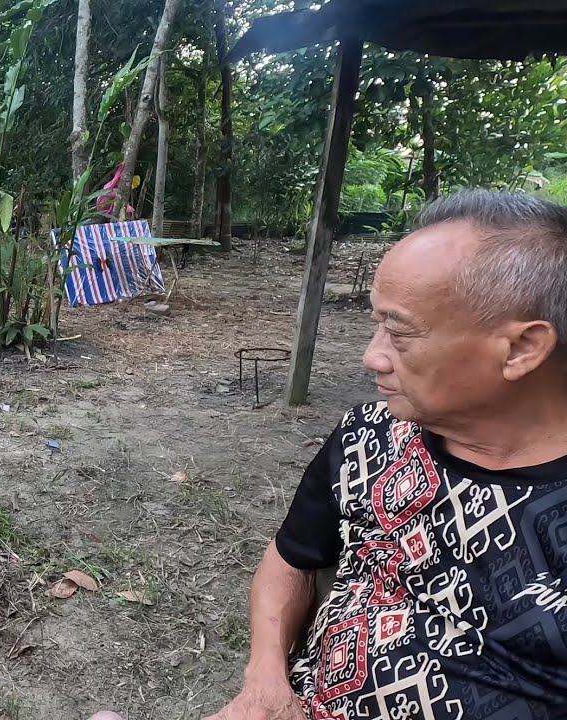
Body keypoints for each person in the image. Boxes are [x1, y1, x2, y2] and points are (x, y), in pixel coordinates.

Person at [207, 190, 567, 720]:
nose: (371, 356)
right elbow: (290, 560)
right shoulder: (370, 437)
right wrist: (265, 680)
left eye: (399, 332)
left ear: (521, 349)